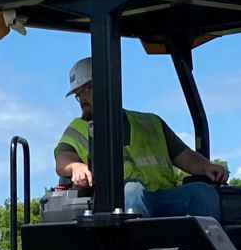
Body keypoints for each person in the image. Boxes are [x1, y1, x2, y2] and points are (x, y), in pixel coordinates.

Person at [54, 54, 230, 220]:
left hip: (163, 197)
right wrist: (76, 166)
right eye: (78, 94)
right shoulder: (77, 129)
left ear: (107, 85)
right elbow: (63, 159)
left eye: (88, 88)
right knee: (131, 191)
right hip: (116, 206)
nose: (83, 98)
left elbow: (184, 156)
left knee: (202, 193)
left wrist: (207, 166)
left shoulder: (151, 122)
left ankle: (204, 249)